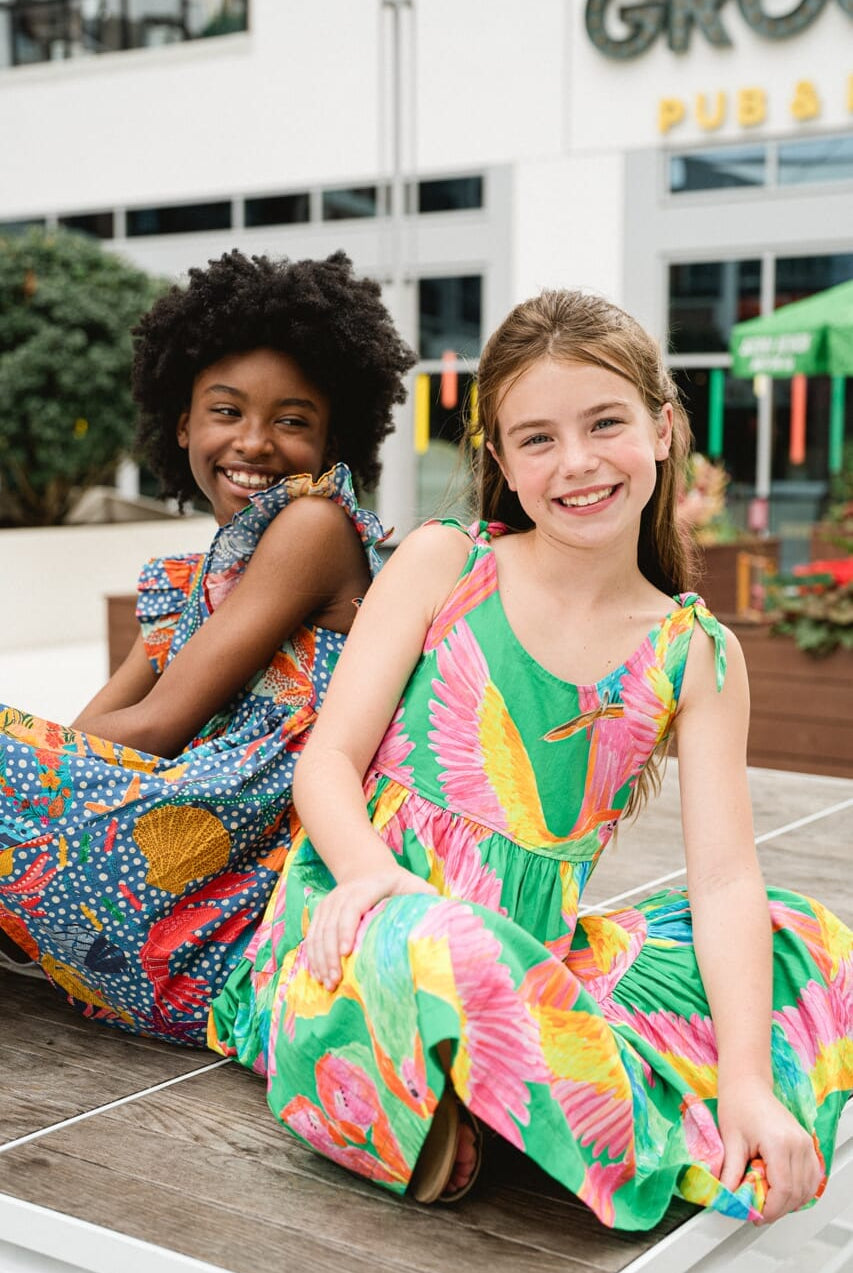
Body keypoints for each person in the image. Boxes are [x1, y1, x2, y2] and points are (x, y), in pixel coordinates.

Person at [209, 287, 851, 1230]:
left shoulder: (692, 651)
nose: (577, 462)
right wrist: (373, 878)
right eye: (538, 438)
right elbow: (330, 759)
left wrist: (751, 1079)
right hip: (366, 933)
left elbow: (723, 880)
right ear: (501, 459)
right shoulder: (445, 562)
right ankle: (592, 1117)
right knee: (446, 945)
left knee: (810, 938)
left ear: (663, 429)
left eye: (605, 423)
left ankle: (496, 1097)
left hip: (537, 958)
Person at [0, 249, 415, 1046]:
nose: (253, 442)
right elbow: (92, 736)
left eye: (292, 420)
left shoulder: (314, 527)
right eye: (226, 411)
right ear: (182, 421)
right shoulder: (193, 580)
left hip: (231, 921)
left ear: (335, 438)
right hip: (167, 889)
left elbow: (155, 727)